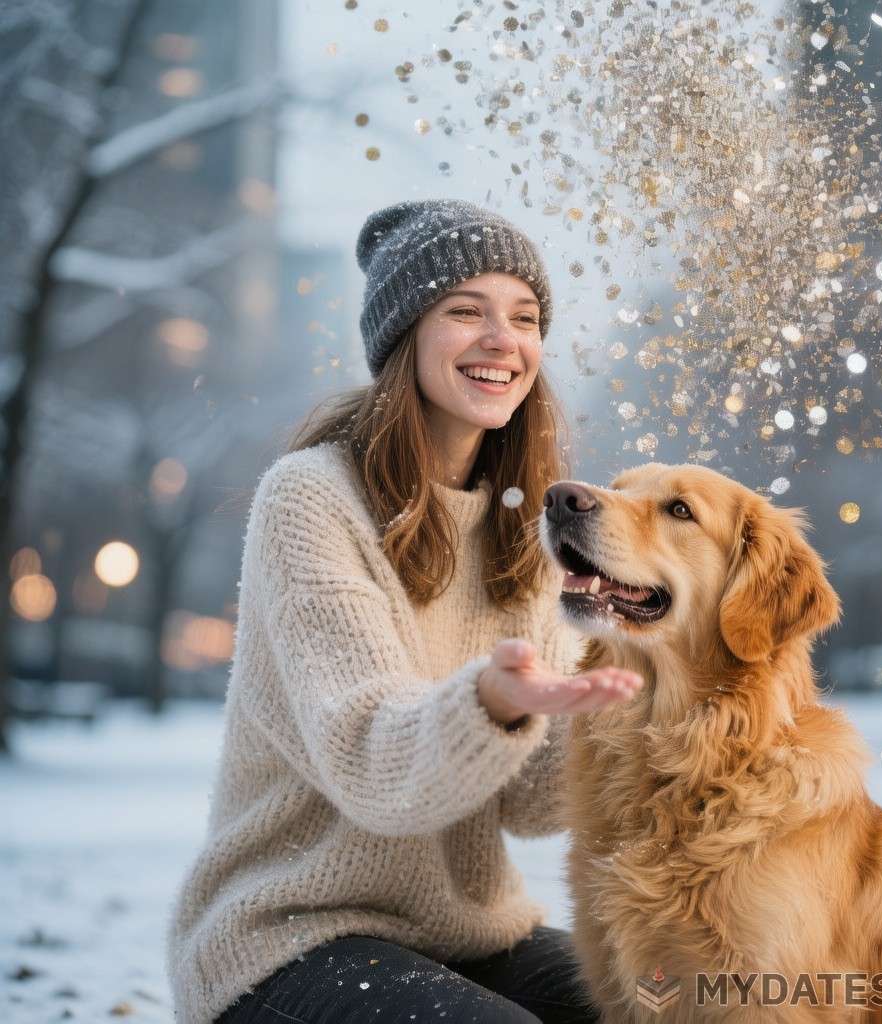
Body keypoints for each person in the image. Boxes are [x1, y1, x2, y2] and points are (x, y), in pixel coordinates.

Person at [167, 199, 643, 1024]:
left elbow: (528, 806)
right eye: (466, 312)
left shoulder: (522, 523)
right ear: (403, 338)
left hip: (467, 932)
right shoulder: (312, 500)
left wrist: (638, 707)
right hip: (286, 938)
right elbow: (374, 768)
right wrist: (494, 701)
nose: (504, 340)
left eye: (524, 318)